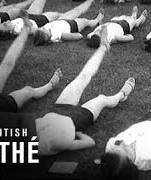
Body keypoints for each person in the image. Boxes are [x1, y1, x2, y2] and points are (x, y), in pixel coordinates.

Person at [34, 26, 136, 155]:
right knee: (102, 99)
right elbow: (89, 142)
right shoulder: (54, 145)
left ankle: (103, 48)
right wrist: (75, 133)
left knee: (82, 77)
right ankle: (122, 95)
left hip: (58, 108)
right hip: (79, 118)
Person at [0, 14, 62, 113]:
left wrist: (25, 29)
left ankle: (26, 29)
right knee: (28, 91)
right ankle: (50, 85)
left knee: (6, 64)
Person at [0, 0, 95, 40]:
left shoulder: (12, 25)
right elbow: (29, 28)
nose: (5, 22)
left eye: (4, 23)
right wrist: (25, 18)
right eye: (5, 25)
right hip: (40, 20)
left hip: (33, 16)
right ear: (10, 31)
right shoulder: (17, 30)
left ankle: (70, 16)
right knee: (59, 15)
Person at [33, 6, 104, 46]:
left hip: (62, 20)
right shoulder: (56, 35)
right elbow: (79, 36)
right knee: (87, 22)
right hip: (74, 25)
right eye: (43, 30)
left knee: (76, 11)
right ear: (46, 36)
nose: (43, 28)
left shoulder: (45, 30)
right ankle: (97, 20)